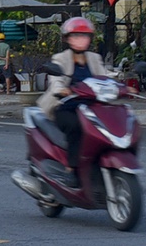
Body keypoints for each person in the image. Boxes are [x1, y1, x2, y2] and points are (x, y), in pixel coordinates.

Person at [38, 17, 110, 187]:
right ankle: (71, 169)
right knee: (77, 127)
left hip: (91, 107)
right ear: (68, 39)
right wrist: (61, 90)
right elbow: (56, 80)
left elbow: (105, 77)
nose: (80, 40)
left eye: (84, 36)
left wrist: (123, 86)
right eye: (76, 36)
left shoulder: (94, 58)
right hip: (65, 106)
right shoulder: (60, 59)